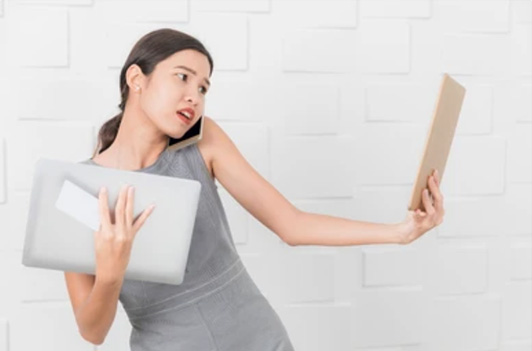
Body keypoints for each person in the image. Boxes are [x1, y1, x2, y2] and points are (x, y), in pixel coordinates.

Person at [63, 28, 445, 350]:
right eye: (182, 77)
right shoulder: (79, 191)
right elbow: (92, 332)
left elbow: (291, 225)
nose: (194, 96)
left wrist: (400, 232)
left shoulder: (202, 141)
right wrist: (111, 274)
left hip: (259, 339)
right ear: (136, 79)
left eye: (203, 86)